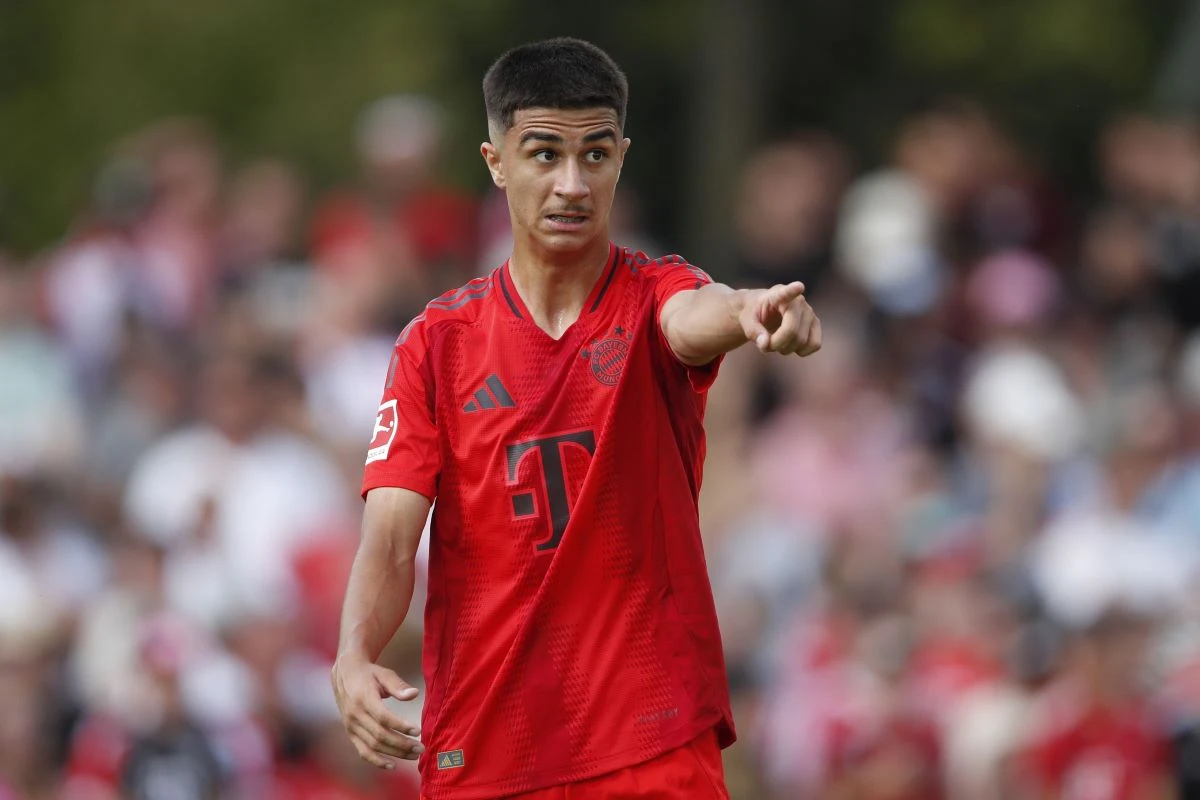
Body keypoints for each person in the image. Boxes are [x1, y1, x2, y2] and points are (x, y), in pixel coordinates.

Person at [331, 37, 822, 800]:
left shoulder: (656, 294)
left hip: (649, 740)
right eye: (544, 154)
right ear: (496, 162)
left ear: (621, 158)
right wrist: (353, 653)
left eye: (596, 155)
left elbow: (699, 316)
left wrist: (752, 311)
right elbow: (392, 538)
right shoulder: (437, 344)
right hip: (489, 750)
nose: (573, 183)